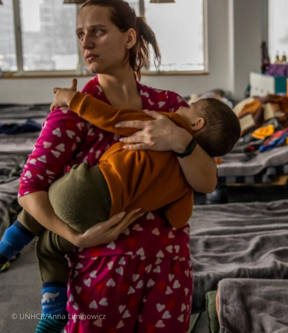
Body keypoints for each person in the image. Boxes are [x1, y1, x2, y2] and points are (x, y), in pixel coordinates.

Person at [4, 1, 218, 332]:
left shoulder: (171, 107)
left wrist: (180, 141)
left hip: (168, 269)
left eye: (97, 31)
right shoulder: (72, 113)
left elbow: (206, 183)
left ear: (129, 37)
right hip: (102, 273)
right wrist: (75, 238)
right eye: (80, 34)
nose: (85, 44)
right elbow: (29, 191)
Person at [0, 78, 240, 308]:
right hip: (103, 219)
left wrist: (74, 100)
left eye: (190, 107)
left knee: (47, 206)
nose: (184, 107)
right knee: (48, 247)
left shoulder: (166, 117)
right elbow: (179, 216)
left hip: (88, 193)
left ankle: (7, 248)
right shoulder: (182, 172)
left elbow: (113, 119)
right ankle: (53, 312)